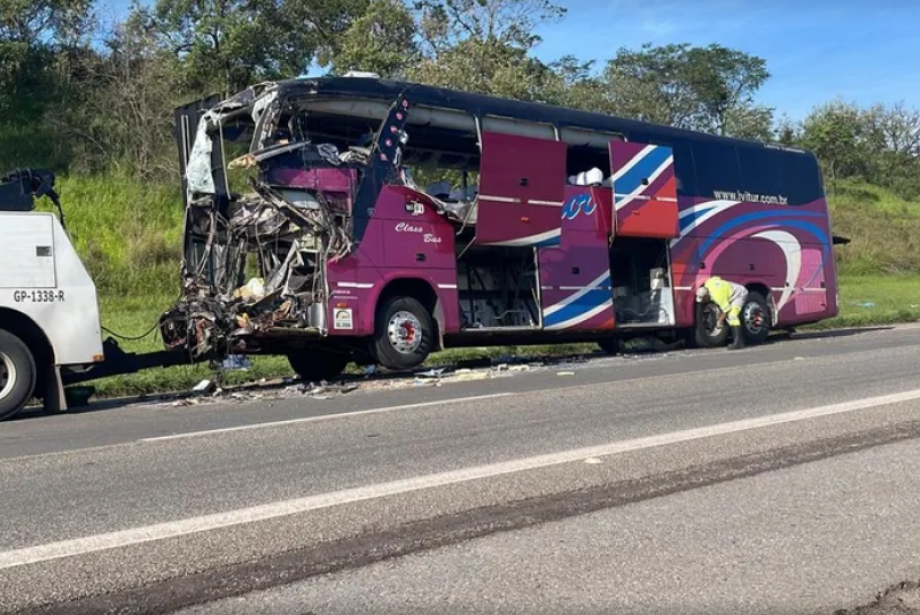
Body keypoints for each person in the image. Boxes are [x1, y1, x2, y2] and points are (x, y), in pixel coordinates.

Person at [695, 276, 749, 350]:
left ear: (707, 295)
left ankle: (738, 342)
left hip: (740, 295)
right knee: (729, 317)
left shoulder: (718, 296)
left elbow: (726, 310)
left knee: (732, 316)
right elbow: (716, 278)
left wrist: (719, 320)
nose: (703, 301)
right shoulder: (708, 284)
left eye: (703, 299)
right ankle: (739, 340)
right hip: (731, 292)